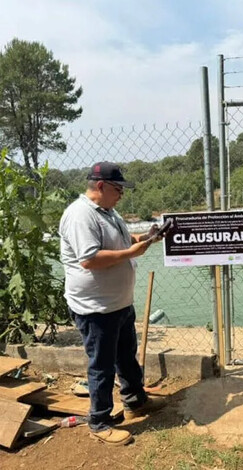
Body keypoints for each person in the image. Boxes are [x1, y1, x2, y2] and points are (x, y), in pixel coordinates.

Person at [59, 161, 165, 446]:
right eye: (118, 189)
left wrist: (147, 239)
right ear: (102, 187)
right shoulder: (81, 215)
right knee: (102, 366)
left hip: (118, 303)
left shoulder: (107, 211)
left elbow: (122, 240)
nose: (122, 194)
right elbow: (89, 259)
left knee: (126, 356)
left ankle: (135, 401)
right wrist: (132, 251)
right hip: (95, 308)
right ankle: (100, 421)